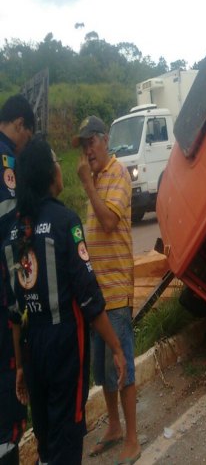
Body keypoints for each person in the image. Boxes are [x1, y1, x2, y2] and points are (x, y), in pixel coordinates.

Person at [3, 137, 126, 464]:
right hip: (64, 346)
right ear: (49, 173)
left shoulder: (16, 231)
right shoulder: (64, 222)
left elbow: (15, 311)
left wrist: (18, 367)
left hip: (31, 349)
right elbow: (89, 298)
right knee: (68, 438)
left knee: (45, 438)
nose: (62, 167)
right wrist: (115, 347)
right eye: (57, 161)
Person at [74, 116, 140, 463]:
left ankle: (132, 437)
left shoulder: (117, 174)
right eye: (84, 145)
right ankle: (114, 426)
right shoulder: (96, 178)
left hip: (115, 292)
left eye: (91, 142)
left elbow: (110, 221)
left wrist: (87, 185)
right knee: (103, 371)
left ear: (105, 139)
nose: (88, 150)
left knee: (121, 366)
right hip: (96, 296)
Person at [0, 95, 35, 465]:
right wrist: (19, 300)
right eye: (28, 134)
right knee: (9, 392)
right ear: (20, 124)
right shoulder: (6, 159)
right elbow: (10, 237)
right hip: (2, 298)